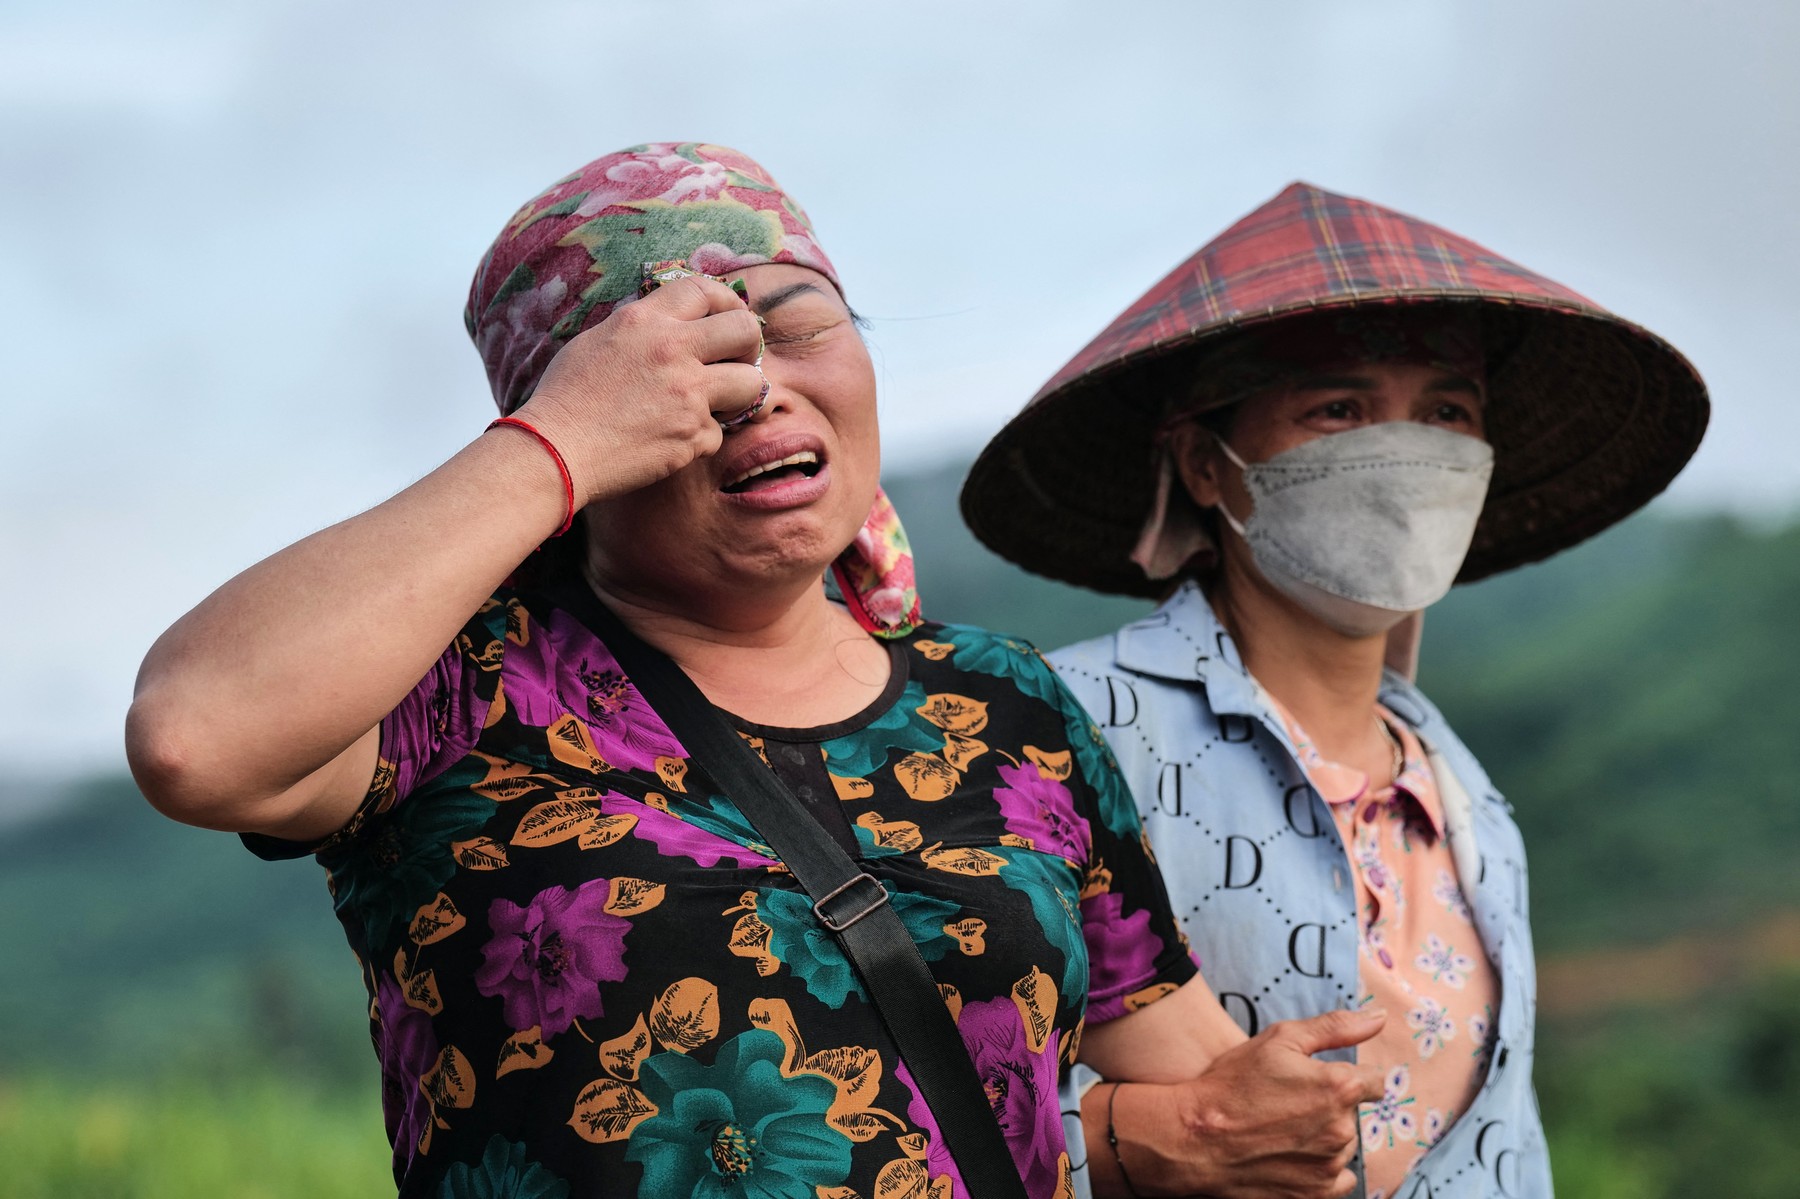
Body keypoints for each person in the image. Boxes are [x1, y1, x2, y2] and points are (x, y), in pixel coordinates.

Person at [124, 143, 1259, 1199]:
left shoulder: (1005, 702)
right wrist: (560, 440)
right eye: (675, 369)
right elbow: (193, 738)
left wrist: (1279, 1105)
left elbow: (1188, 1068)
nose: (751, 387)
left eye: (795, 325)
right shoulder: (465, 688)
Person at [962, 182, 1708, 1199]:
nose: (1404, 451)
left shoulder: (1460, 788)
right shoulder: (1053, 727)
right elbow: (928, 1088)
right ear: (1206, 465)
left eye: (1446, 412)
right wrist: (1149, 1137)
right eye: (1337, 409)